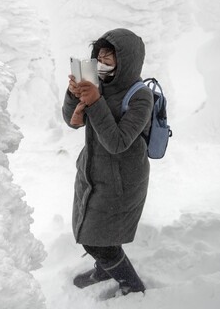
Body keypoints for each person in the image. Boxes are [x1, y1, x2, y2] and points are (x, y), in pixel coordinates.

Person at [62, 28, 153, 295]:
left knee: (97, 241)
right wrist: (73, 95)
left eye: (108, 57)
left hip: (121, 181)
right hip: (92, 173)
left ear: (125, 60)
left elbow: (118, 142)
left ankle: (132, 285)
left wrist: (96, 101)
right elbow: (71, 122)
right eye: (99, 56)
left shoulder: (140, 95)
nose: (101, 62)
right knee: (94, 233)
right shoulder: (98, 85)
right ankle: (106, 268)